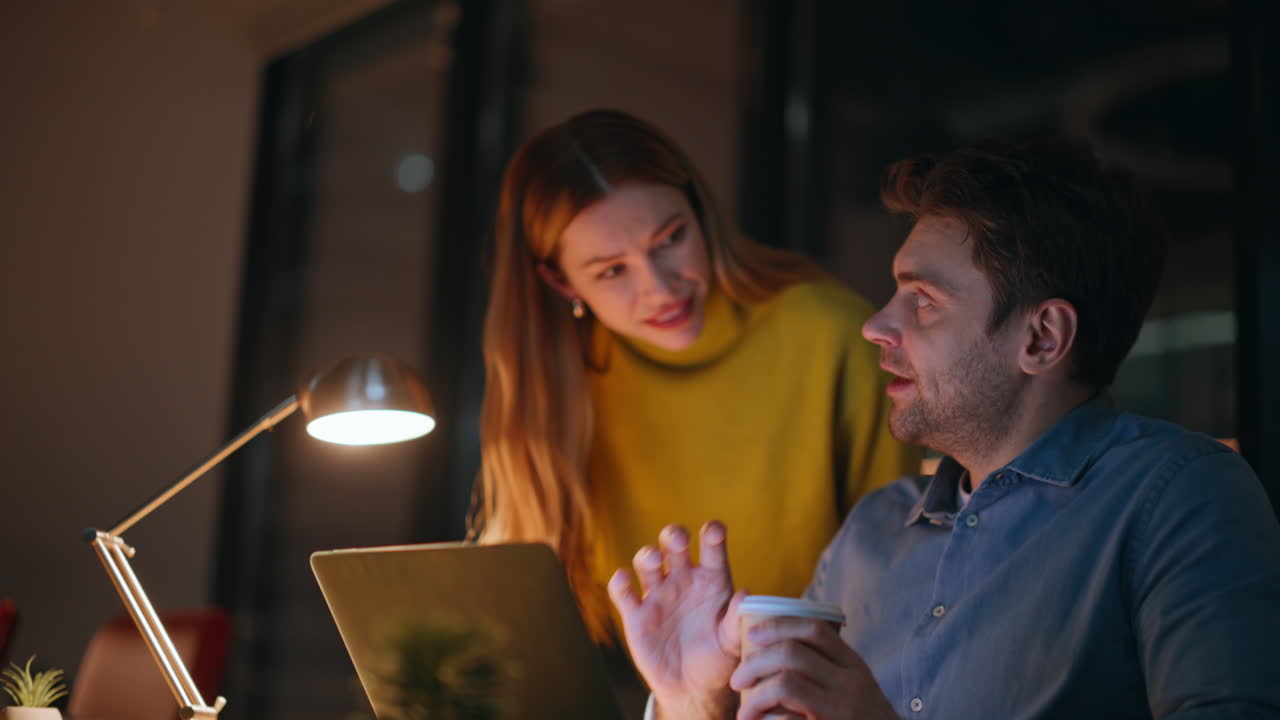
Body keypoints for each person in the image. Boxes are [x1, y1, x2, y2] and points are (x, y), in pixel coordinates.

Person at [608, 138, 1280, 719]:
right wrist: (694, 703)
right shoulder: (873, 532)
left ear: (1042, 337)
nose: (877, 326)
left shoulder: (1180, 496)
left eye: (922, 302)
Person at [470, 109, 919, 646]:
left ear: (701, 214)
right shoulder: (553, 380)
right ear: (562, 283)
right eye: (612, 271)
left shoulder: (830, 332)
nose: (659, 287)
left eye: (670, 238)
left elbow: (897, 571)